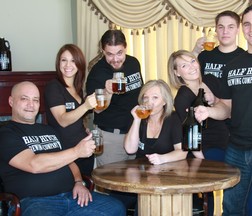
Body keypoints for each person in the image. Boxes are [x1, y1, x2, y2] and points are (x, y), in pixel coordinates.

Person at [195, 4, 252, 216]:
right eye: (247, 24)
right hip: (236, 149)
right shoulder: (233, 65)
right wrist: (209, 112)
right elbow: (226, 108)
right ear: (242, 28)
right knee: (231, 210)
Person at [0, 81, 125, 216]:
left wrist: (78, 182)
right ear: (11, 101)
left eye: (35, 100)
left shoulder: (49, 130)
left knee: (116, 207)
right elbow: (34, 164)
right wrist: (77, 151)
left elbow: (69, 161)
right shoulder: (6, 133)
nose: (31, 105)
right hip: (35, 202)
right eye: (24, 99)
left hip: (72, 196)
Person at [193, 11, 252, 216]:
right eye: (221, 27)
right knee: (210, 187)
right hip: (210, 129)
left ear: (238, 29)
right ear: (215, 29)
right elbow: (187, 78)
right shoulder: (205, 55)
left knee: (246, 189)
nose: (225, 31)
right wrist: (194, 52)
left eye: (231, 27)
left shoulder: (244, 56)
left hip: (239, 130)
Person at [168, 49, 229, 215]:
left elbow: (228, 109)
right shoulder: (182, 97)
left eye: (193, 61)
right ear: (176, 72)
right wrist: (201, 157)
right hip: (207, 149)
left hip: (227, 141)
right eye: (184, 65)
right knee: (211, 194)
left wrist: (215, 102)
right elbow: (188, 132)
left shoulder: (211, 80)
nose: (191, 67)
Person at [86, 29, 144, 166]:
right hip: (111, 138)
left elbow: (142, 92)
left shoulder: (133, 63)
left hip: (136, 133)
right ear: (102, 50)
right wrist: (108, 92)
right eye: (109, 54)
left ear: (125, 47)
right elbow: (97, 110)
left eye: (119, 53)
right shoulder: (97, 73)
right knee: (111, 183)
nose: (115, 59)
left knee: (136, 182)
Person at [44, 44, 96, 177]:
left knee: (86, 190)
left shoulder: (78, 88)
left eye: (73, 60)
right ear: (58, 62)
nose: (68, 65)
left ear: (79, 64)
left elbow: (76, 116)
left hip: (84, 150)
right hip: (66, 153)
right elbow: (62, 120)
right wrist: (86, 106)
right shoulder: (54, 87)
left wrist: (83, 128)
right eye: (64, 60)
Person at [124, 79, 188, 164]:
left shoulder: (173, 119)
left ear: (165, 101)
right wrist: (136, 120)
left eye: (155, 97)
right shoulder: (139, 118)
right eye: (146, 98)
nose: (149, 102)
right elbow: (130, 150)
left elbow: (182, 152)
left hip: (167, 170)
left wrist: (161, 159)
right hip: (141, 170)